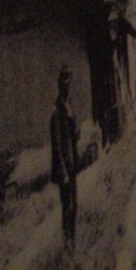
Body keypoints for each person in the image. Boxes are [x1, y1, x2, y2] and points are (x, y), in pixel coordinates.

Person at [49, 68, 81, 246]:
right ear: (60, 86)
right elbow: (57, 148)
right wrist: (63, 173)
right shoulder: (55, 115)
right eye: (64, 84)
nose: (67, 87)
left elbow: (76, 135)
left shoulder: (69, 108)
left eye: (69, 83)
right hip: (64, 169)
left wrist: (72, 120)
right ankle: (67, 242)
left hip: (72, 164)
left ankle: (72, 240)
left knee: (74, 205)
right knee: (67, 207)